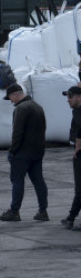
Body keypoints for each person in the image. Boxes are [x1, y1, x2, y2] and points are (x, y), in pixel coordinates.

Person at [0, 83, 48, 222]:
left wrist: (12, 151)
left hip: (22, 152)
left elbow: (17, 132)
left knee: (17, 181)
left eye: (10, 98)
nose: (11, 102)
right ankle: (43, 211)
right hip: (38, 151)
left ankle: (14, 211)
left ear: (15, 95)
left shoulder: (21, 109)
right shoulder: (38, 107)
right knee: (39, 181)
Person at [60, 85, 81, 229]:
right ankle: (71, 217)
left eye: (70, 96)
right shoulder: (76, 111)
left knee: (80, 189)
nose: (68, 100)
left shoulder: (79, 112)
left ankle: (71, 217)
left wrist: (77, 148)